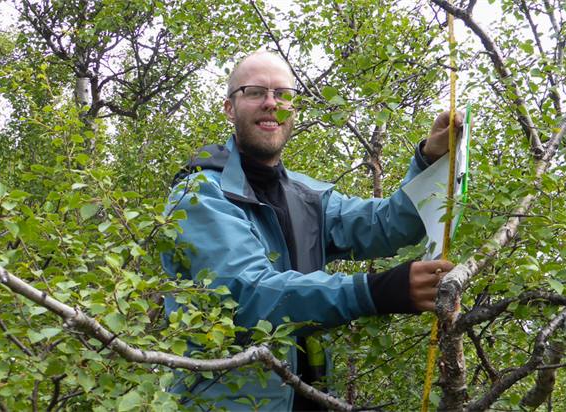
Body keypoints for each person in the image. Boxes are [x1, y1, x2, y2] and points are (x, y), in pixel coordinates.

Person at [161, 51, 462, 411]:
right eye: (255, 92)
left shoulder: (307, 196)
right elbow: (248, 294)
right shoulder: (200, 195)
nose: (271, 103)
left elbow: (389, 225)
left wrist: (430, 159)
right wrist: (377, 291)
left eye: (283, 94)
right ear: (229, 108)